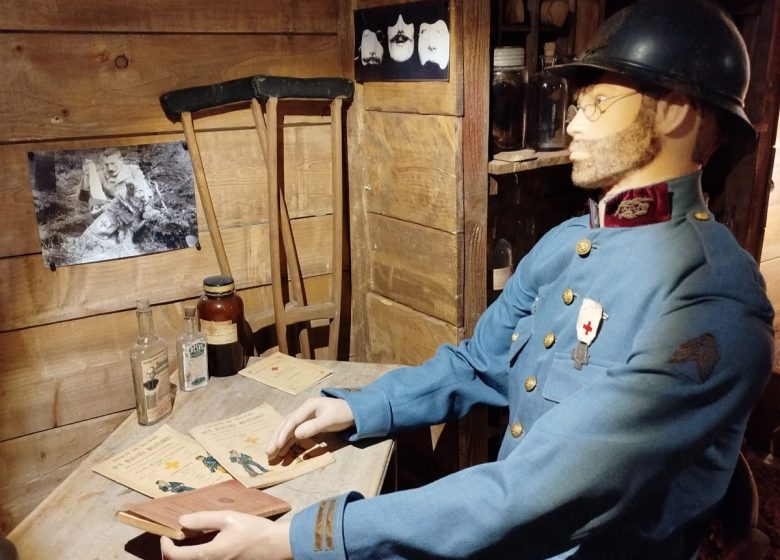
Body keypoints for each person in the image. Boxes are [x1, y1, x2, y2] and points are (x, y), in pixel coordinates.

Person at [160, 1, 774, 559]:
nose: (573, 126)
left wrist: (302, 539)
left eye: (595, 105)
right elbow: (478, 365)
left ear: (675, 110)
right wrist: (356, 408)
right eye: (577, 106)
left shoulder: (712, 300)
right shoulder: (567, 244)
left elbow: (534, 489)